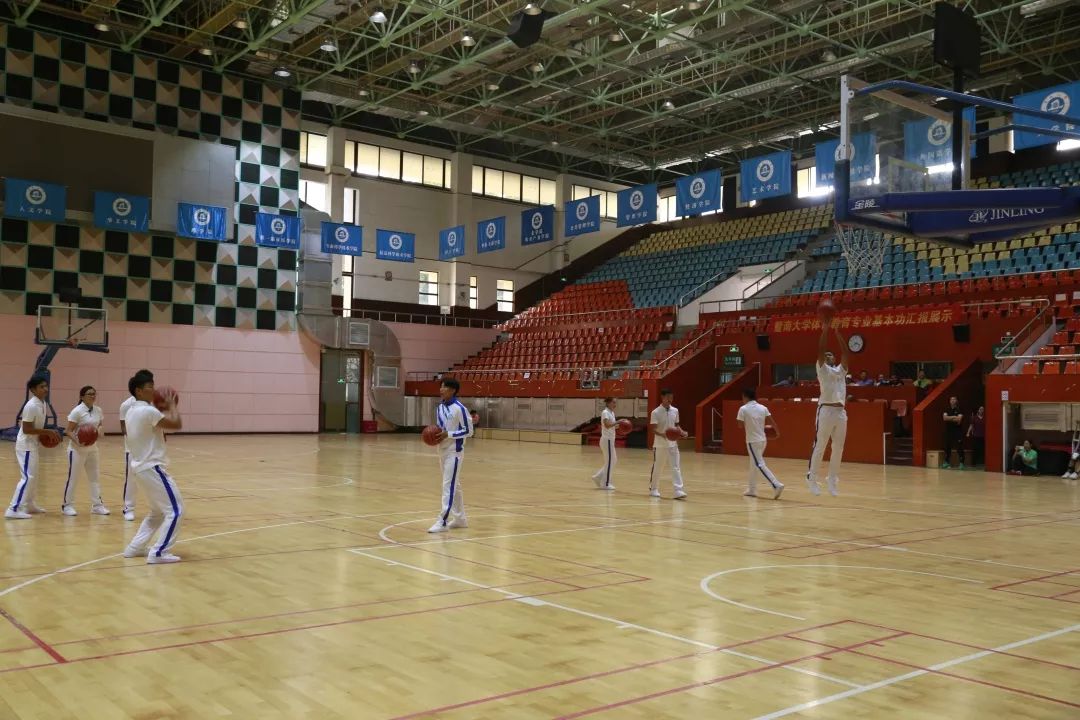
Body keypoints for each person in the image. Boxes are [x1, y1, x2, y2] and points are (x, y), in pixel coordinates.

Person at [122, 370, 185, 564]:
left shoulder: (131, 411)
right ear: (139, 391)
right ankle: (159, 552)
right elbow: (176, 424)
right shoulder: (148, 411)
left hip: (140, 468)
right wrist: (172, 406)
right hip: (152, 467)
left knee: (157, 512)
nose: (154, 390)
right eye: (149, 387)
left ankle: (135, 547)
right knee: (175, 510)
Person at [7, 374, 58, 519]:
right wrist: (47, 431)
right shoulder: (30, 406)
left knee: (33, 477)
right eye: (41, 387)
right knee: (28, 477)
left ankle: (28, 504)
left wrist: (44, 435)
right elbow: (27, 429)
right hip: (26, 445)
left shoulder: (43, 403)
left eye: (46, 386)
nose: (45, 389)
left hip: (33, 444)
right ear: (33, 390)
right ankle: (13, 508)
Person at [808, 321, 848, 497]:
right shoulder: (822, 370)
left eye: (831, 354)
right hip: (825, 410)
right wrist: (825, 331)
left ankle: (832, 479)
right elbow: (820, 348)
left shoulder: (841, 370)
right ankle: (812, 478)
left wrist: (838, 335)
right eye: (826, 354)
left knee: (838, 447)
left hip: (841, 412)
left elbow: (846, 353)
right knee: (820, 446)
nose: (829, 355)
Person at [428, 378, 473, 533]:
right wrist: (434, 436)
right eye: (441, 386)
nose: (441, 389)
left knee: (448, 485)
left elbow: (469, 431)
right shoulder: (440, 407)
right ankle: (460, 519)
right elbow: (441, 429)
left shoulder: (460, 408)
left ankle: (442, 521)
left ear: (453, 390)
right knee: (455, 485)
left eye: (445, 387)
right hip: (442, 450)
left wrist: (449, 434)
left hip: (455, 451)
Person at [62, 385, 109, 516]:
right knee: (73, 478)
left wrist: (99, 431)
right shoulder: (77, 411)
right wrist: (78, 441)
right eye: (90, 394)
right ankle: (67, 506)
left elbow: (99, 425)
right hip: (76, 449)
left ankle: (97, 506)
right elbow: (68, 431)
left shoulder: (98, 410)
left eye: (94, 394)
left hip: (93, 448)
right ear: (82, 397)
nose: (93, 396)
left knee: (94, 477)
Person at [736, 388, 784, 499]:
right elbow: (772, 422)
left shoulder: (743, 409)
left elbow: (740, 425)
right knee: (754, 465)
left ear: (745, 396)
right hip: (763, 440)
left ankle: (776, 484)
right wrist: (777, 432)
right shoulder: (763, 408)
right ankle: (752, 489)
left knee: (759, 464)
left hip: (752, 441)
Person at [118, 372, 151, 522]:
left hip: (150, 450)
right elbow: (124, 428)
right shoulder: (126, 405)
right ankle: (128, 508)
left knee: (154, 478)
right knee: (131, 479)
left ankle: (158, 508)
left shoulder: (152, 403)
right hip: (132, 449)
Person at [648, 389, 687, 500]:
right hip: (660, 444)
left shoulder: (675, 410)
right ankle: (654, 488)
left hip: (673, 444)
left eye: (672, 397)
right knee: (658, 467)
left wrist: (682, 432)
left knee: (676, 467)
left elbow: (677, 425)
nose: (670, 399)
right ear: (663, 397)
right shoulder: (655, 412)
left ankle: (678, 490)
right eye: (668, 397)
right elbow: (654, 429)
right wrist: (663, 435)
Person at [591, 397, 617, 491]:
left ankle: (598, 477)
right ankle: (605, 484)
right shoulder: (605, 412)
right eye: (614, 402)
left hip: (610, 440)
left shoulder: (612, 413)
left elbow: (611, 426)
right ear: (609, 403)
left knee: (613, 460)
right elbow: (607, 425)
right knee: (610, 462)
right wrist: (618, 422)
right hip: (607, 440)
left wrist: (618, 426)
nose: (615, 404)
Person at [941, 396, 965, 469]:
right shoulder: (946, 409)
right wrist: (954, 417)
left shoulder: (959, 409)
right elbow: (944, 418)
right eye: (951, 399)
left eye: (954, 399)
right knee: (947, 446)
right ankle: (946, 462)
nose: (952, 400)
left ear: (956, 401)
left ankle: (961, 463)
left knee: (959, 447)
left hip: (957, 431)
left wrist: (950, 418)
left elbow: (959, 419)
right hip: (949, 431)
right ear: (949, 401)